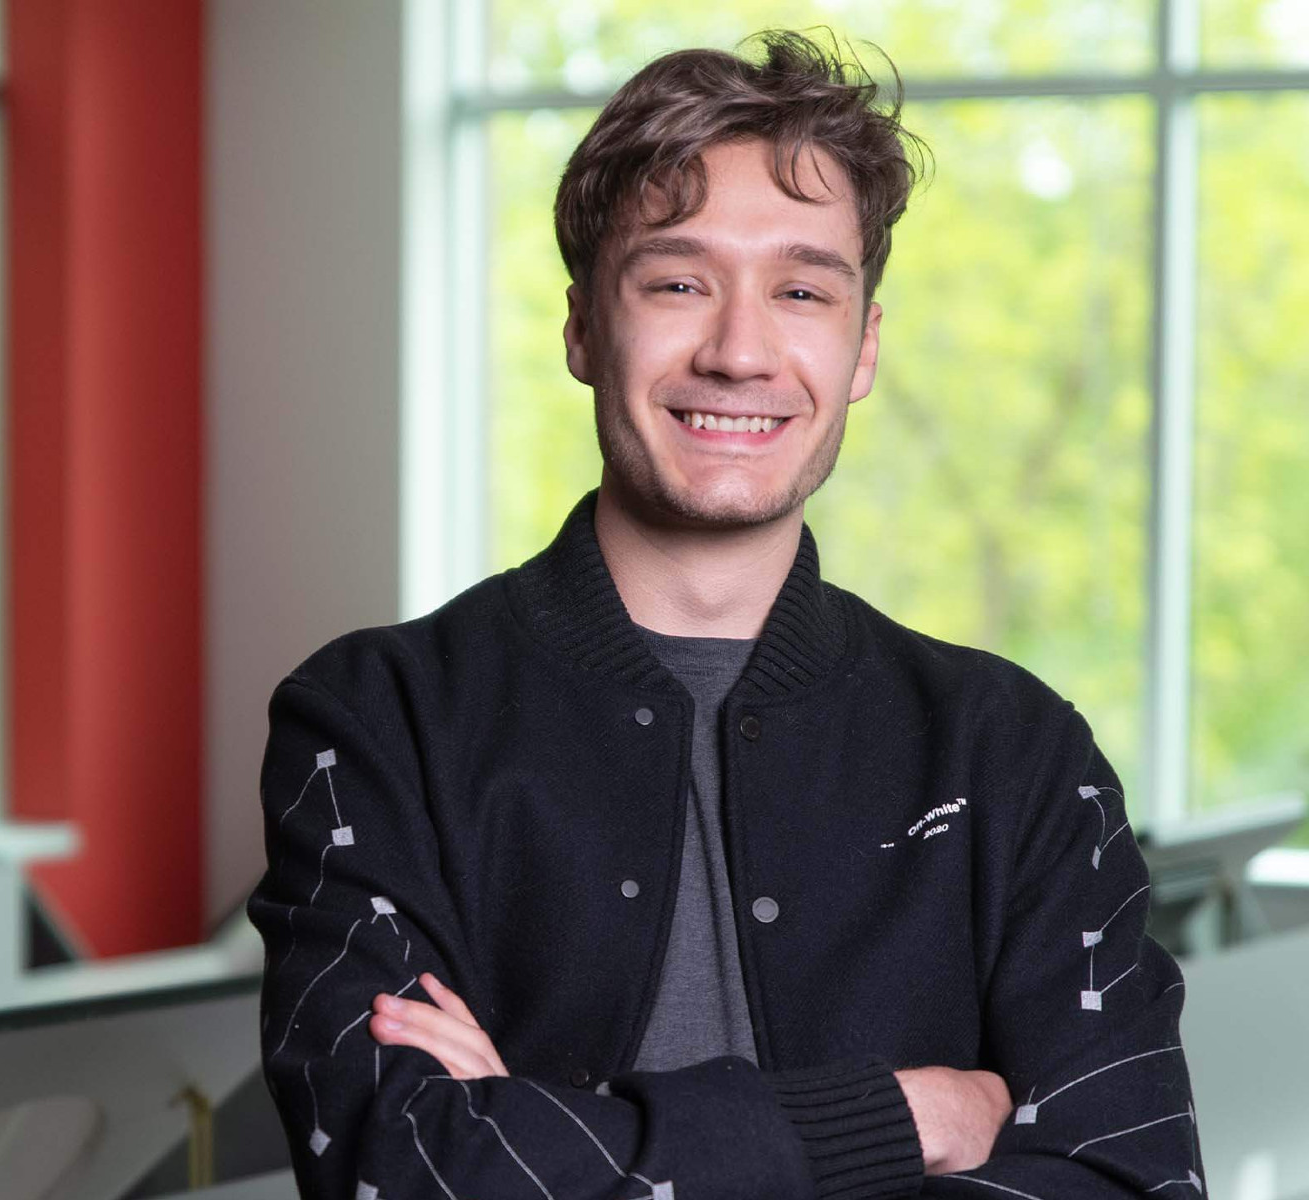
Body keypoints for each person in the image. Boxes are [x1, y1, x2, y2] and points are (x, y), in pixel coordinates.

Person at [248, 29, 1203, 1200]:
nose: (741, 351)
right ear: (585, 329)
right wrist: (901, 1117)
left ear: (861, 348)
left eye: (802, 290)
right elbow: (403, 1172)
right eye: (677, 282)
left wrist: (541, 1129)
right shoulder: (376, 720)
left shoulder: (1014, 750)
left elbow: (1132, 1179)